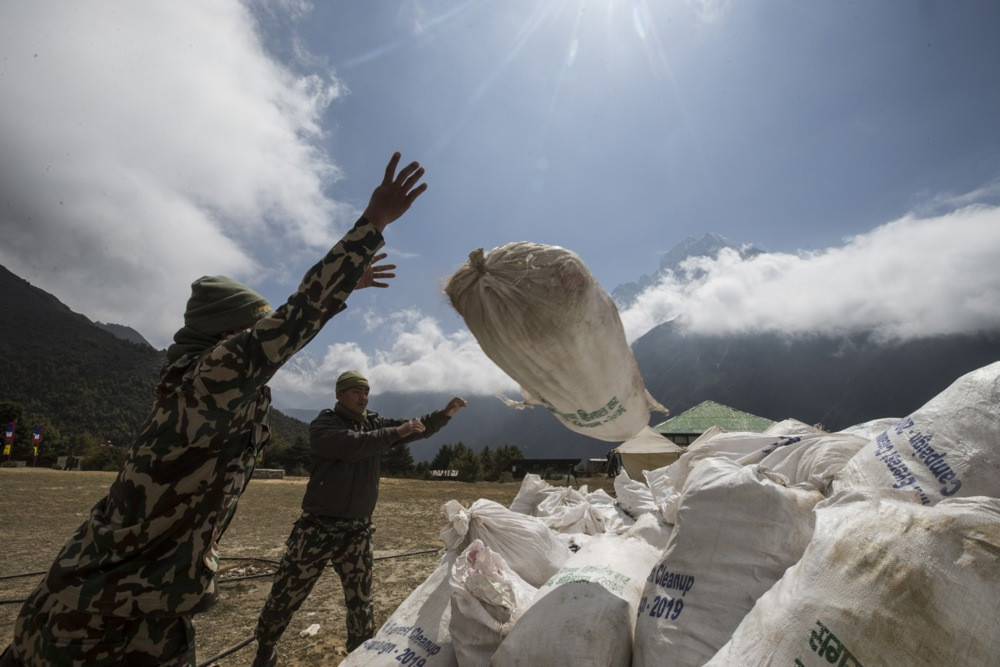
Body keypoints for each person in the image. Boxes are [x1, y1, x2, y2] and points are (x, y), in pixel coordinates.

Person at [1, 152, 427, 667]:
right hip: (95, 623)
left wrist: (342, 289)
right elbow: (297, 318)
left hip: (139, 611)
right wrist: (371, 226)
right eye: (250, 329)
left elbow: (297, 320)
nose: (255, 340)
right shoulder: (210, 376)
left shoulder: (208, 385)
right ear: (227, 334)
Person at [252, 371, 467, 665]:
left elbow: (416, 427)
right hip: (318, 527)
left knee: (361, 602)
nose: (363, 397)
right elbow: (354, 446)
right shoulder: (325, 425)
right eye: (356, 392)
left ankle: (361, 655)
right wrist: (396, 433)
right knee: (286, 594)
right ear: (340, 395)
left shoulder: (374, 423)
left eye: (366, 392)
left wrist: (444, 414)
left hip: (357, 530)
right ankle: (265, 648)